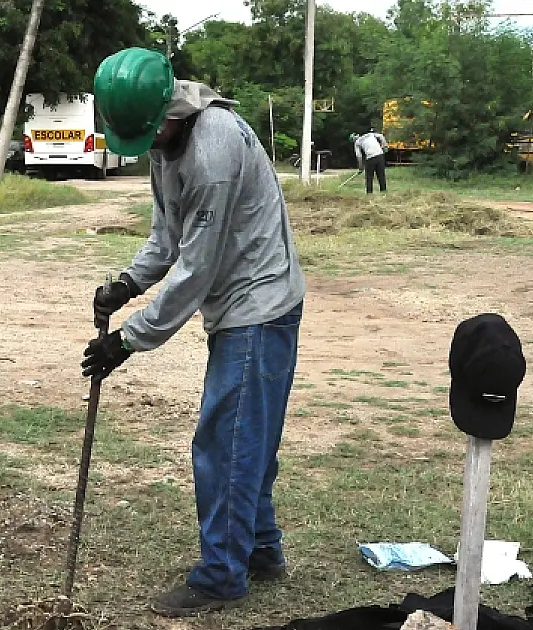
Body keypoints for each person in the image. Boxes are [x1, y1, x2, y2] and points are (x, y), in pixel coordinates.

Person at [81, 47, 306, 618]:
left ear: (170, 109)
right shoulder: (166, 141)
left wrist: (127, 339)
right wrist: (128, 283)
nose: (149, 144)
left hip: (258, 307)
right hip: (244, 303)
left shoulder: (213, 150)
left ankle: (222, 575)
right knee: (247, 438)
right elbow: (167, 234)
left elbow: (195, 267)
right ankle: (260, 550)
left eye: (151, 133)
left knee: (225, 443)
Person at [352, 128, 388, 193]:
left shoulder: (357, 142)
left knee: (369, 177)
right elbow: (381, 136)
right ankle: (383, 191)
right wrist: (384, 146)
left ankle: (369, 193)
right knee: (381, 175)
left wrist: (360, 167)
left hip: (370, 157)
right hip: (380, 155)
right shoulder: (370, 134)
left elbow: (359, 156)